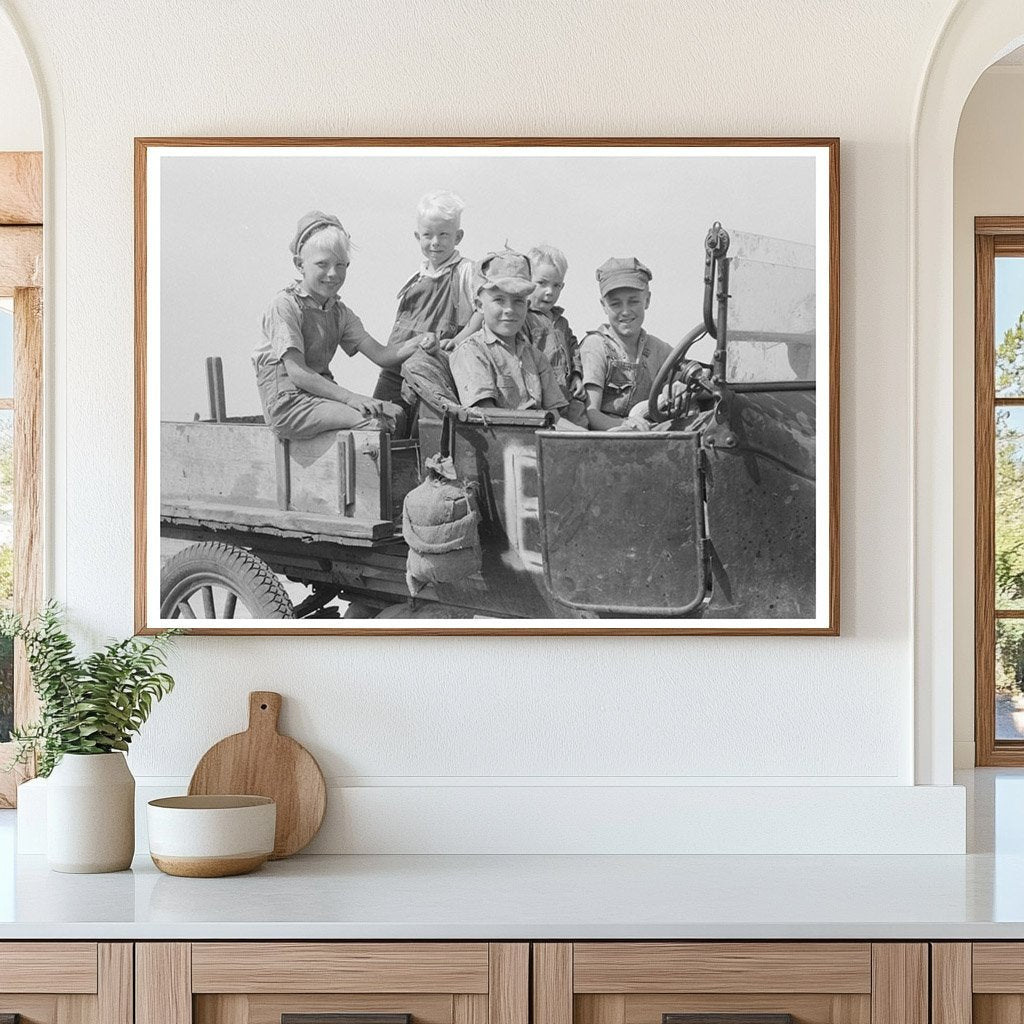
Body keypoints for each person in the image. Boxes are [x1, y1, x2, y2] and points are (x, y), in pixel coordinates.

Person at [253, 211, 437, 441]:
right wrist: (352, 398)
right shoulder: (285, 306)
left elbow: (381, 355)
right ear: (299, 264)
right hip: (289, 405)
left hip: (319, 399)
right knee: (378, 421)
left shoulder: (339, 312)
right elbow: (298, 373)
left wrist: (419, 342)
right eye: (322, 264)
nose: (333, 274)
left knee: (397, 413)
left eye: (341, 265)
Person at [373, 190, 481, 422]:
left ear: (458, 236)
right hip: (397, 367)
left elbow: (481, 312)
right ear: (417, 236)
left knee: (427, 429)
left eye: (444, 234)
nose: (435, 242)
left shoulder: (466, 271)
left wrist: (459, 339)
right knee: (383, 421)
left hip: (435, 367)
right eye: (428, 235)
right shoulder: (415, 278)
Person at [450, 249, 585, 431]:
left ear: (527, 305)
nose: (510, 310)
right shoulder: (471, 352)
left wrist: (588, 438)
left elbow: (555, 418)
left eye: (518, 301)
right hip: (501, 446)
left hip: (539, 446)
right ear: (480, 305)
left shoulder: (536, 357)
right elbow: (486, 414)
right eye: (499, 300)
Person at [579, 257, 673, 431]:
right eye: (615, 304)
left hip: (652, 439)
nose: (625, 311)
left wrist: (679, 388)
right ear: (603, 305)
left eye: (634, 301)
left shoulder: (661, 350)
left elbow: (693, 379)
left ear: (647, 300)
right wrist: (624, 426)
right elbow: (591, 413)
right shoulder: (596, 347)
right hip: (607, 442)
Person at [524, 245, 588, 427]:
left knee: (582, 423)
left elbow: (574, 349)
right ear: (528, 280)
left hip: (567, 395)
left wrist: (576, 375)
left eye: (556, 285)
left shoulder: (562, 322)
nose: (549, 291)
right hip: (543, 399)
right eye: (542, 283)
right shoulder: (525, 319)